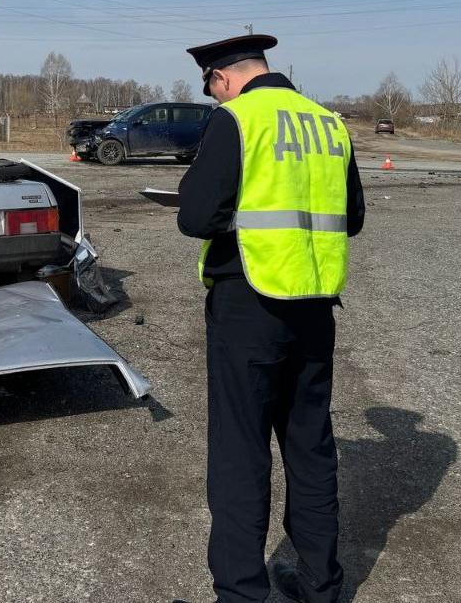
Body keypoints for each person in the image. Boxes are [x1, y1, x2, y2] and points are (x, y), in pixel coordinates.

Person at [175, 34, 364, 603]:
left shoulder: (238, 119)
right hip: (313, 307)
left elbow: (194, 216)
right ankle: (320, 587)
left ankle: (241, 594)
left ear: (222, 78)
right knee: (310, 448)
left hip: (250, 303)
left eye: (212, 88)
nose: (215, 97)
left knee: (240, 453)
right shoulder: (329, 123)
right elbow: (350, 217)